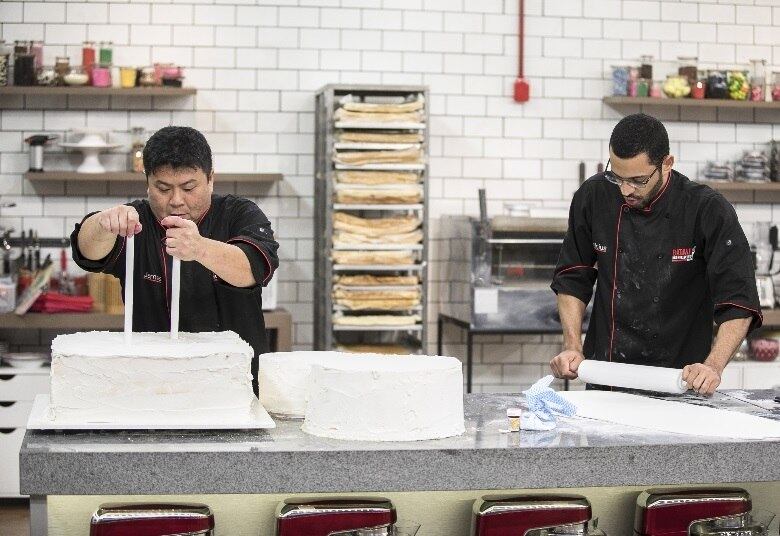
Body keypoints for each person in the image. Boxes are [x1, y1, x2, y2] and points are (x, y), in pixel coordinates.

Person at [549, 113, 760, 396]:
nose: (625, 190)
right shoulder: (593, 196)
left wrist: (713, 365)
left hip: (680, 382)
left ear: (667, 164)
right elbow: (573, 277)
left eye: (638, 180)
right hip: (606, 380)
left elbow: (738, 299)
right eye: (617, 177)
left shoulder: (706, 210)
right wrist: (573, 346)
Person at [71, 126, 279, 395]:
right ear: (147, 183)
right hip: (153, 387)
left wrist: (200, 248)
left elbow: (255, 268)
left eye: (189, 187)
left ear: (211, 179)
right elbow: (86, 251)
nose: (176, 200)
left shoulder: (239, 213)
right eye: (163, 188)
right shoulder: (136, 221)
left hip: (236, 388)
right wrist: (102, 222)